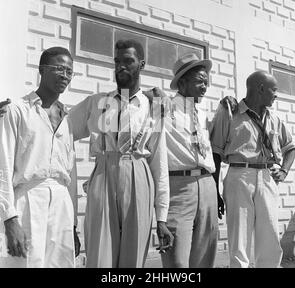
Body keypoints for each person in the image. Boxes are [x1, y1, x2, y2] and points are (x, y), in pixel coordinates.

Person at [68, 39, 173, 268]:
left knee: (133, 258)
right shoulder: (96, 102)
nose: (121, 66)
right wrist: (20, 113)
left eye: (128, 61)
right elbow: (60, 128)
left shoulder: (153, 106)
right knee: (99, 254)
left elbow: (159, 161)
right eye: (117, 61)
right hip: (104, 173)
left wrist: (161, 217)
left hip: (139, 173)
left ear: (141, 64)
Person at [0, 47, 80, 268]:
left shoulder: (67, 118)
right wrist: (9, 218)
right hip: (27, 200)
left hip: (61, 205)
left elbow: (69, 174)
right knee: (23, 263)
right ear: (41, 70)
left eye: (69, 71)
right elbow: (3, 167)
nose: (65, 75)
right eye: (59, 68)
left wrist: (72, 224)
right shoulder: (16, 110)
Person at [210, 70, 295, 268]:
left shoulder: (274, 119)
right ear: (260, 88)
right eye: (274, 90)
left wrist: (283, 170)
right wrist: (214, 190)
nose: (276, 94)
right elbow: (215, 152)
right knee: (239, 235)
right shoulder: (229, 112)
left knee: (270, 235)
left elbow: (290, 148)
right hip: (239, 175)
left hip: (267, 177)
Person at [151, 53, 224, 268]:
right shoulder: (164, 107)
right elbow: (134, 100)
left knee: (204, 256)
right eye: (200, 81)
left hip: (207, 185)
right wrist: (152, 93)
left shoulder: (201, 113)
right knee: (177, 259)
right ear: (182, 82)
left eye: (206, 82)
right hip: (179, 188)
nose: (205, 87)